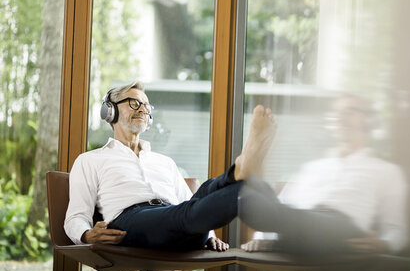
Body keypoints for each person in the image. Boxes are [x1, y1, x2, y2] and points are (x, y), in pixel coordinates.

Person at [64, 81, 275, 252]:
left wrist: (209, 234)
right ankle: (241, 178)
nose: (143, 110)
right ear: (109, 112)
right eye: (134, 103)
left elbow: (191, 202)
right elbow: (76, 216)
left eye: (146, 106)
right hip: (129, 223)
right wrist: (86, 235)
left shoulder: (164, 162)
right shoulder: (90, 160)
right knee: (184, 214)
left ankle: (239, 173)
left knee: (207, 190)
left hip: (176, 221)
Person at [241, 95, 408, 255]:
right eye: (336, 112)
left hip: (345, 232)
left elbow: (396, 230)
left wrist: (384, 244)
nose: (340, 117)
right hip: (303, 227)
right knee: (255, 193)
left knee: (260, 202)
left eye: (350, 111)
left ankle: (282, 242)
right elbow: (282, 207)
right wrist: (260, 238)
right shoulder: (313, 167)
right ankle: (282, 242)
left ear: (369, 120)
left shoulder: (386, 171)